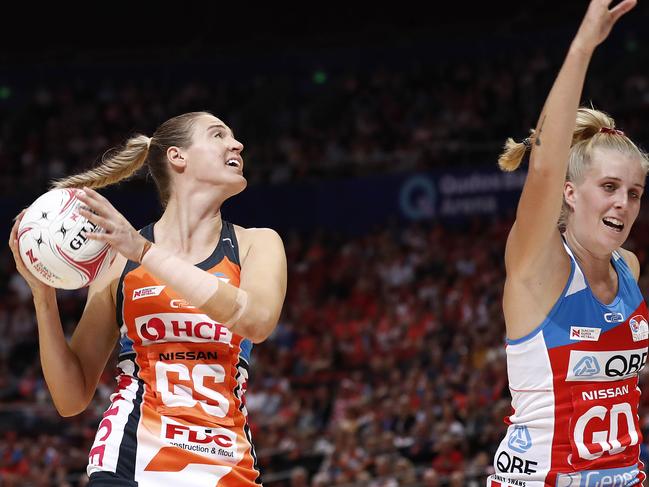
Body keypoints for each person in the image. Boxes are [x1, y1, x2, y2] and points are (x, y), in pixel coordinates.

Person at [8, 111, 287, 486]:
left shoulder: (257, 243)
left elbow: (256, 321)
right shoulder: (119, 259)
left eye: (233, 137)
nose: (237, 144)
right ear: (178, 157)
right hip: (129, 459)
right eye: (219, 135)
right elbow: (71, 398)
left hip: (225, 464)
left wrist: (145, 252)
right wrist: (43, 294)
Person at [488, 1, 648, 486]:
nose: (623, 203)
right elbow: (542, 166)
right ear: (570, 193)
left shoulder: (630, 268)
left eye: (634, 193)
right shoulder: (540, 266)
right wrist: (583, 47)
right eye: (609, 187)